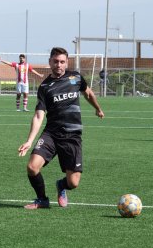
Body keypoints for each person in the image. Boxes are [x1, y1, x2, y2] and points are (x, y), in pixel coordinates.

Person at [18, 47, 104, 210]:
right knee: (32, 167)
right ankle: (42, 199)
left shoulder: (76, 77)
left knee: (73, 183)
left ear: (67, 62)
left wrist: (97, 108)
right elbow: (38, 115)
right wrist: (29, 141)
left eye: (62, 62)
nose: (59, 65)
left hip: (72, 136)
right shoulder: (45, 87)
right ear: (50, 62)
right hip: (52, 134)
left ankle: (61, 186)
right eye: (56, 61)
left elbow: (88, 94)